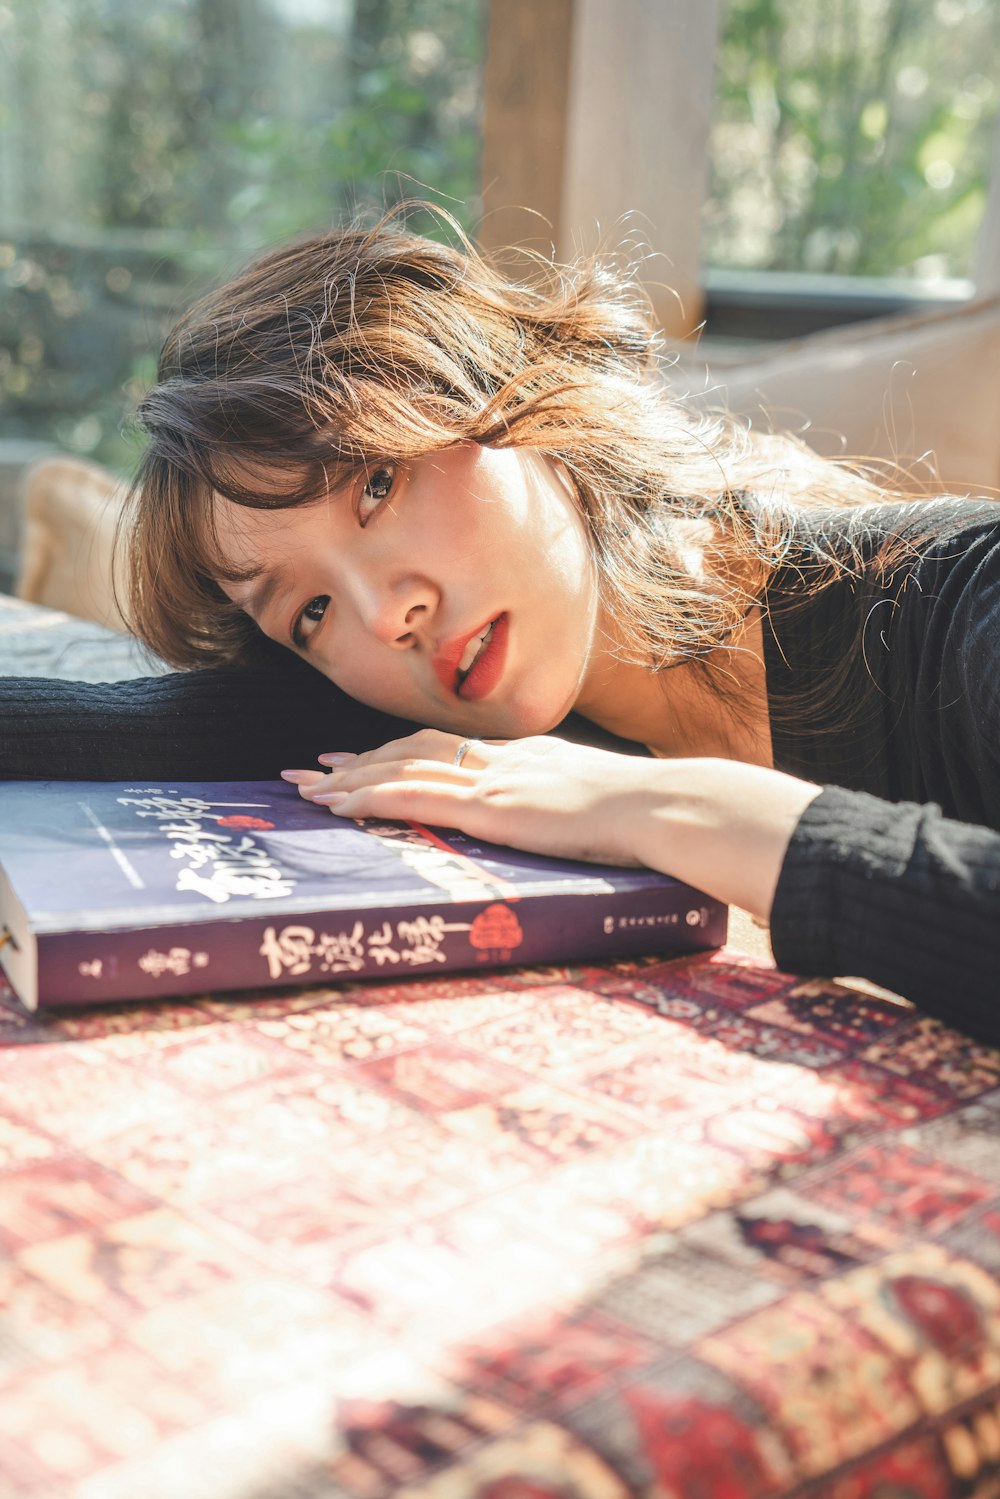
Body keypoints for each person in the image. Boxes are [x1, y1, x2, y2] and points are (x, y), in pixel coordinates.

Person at [3, 209, 999, 1034]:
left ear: (509, 392)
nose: (386, 613)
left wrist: (666, 808)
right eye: (308, 609)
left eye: (379, 483)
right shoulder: (471, 726)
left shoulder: (962, 596)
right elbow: (144, 725)